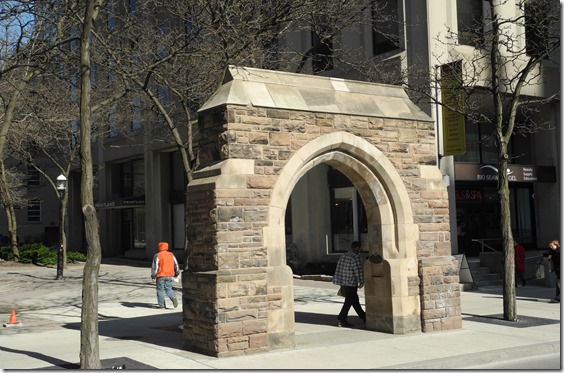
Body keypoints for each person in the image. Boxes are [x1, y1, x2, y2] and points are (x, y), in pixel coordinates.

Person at [332, 241, 366, 327]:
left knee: (355, 301)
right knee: (348, 302)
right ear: (357, 248)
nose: (360, 250)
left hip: (344, 282)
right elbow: (358, 270)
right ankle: (341, 319)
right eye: (360, 248)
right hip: (351, 283)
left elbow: (339, 268)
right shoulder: (355, 257)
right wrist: (361, 282)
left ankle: (364, 317)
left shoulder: (344, 255)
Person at [151, 241, 180, 309]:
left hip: (161, 275)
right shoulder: (171, 254)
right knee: (168, 288)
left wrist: (153, 276)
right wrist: (177, 273)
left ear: (159, 247)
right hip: (170, 275)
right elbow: (176, 265)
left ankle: (161, 305)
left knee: (160, 290)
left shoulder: (157, 255)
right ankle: (173, 297)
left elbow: (155, 267)